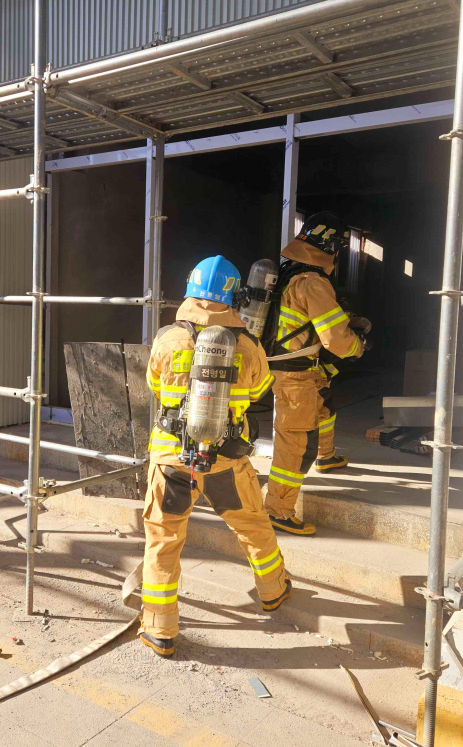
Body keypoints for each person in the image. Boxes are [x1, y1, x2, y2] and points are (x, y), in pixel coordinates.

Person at [140, 255, 292, 657]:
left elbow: (155, 384)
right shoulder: (249, 345)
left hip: (172, 458)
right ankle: (274, 590)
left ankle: (160, 629)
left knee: (164, 538)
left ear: (190, 290)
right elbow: (259, 391)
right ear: (234, 294)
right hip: (226, 459)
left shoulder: (167, 338)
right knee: (253, 525)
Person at [265, 212, 370, 536]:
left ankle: (327, 457)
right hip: (296, 375)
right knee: (296, 442)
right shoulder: (312, 281)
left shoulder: (290, 271)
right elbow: (336, 339)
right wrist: (358, 346)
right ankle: (279, 510)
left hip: (295, 367)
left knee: (324, 407)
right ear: (331, 248)